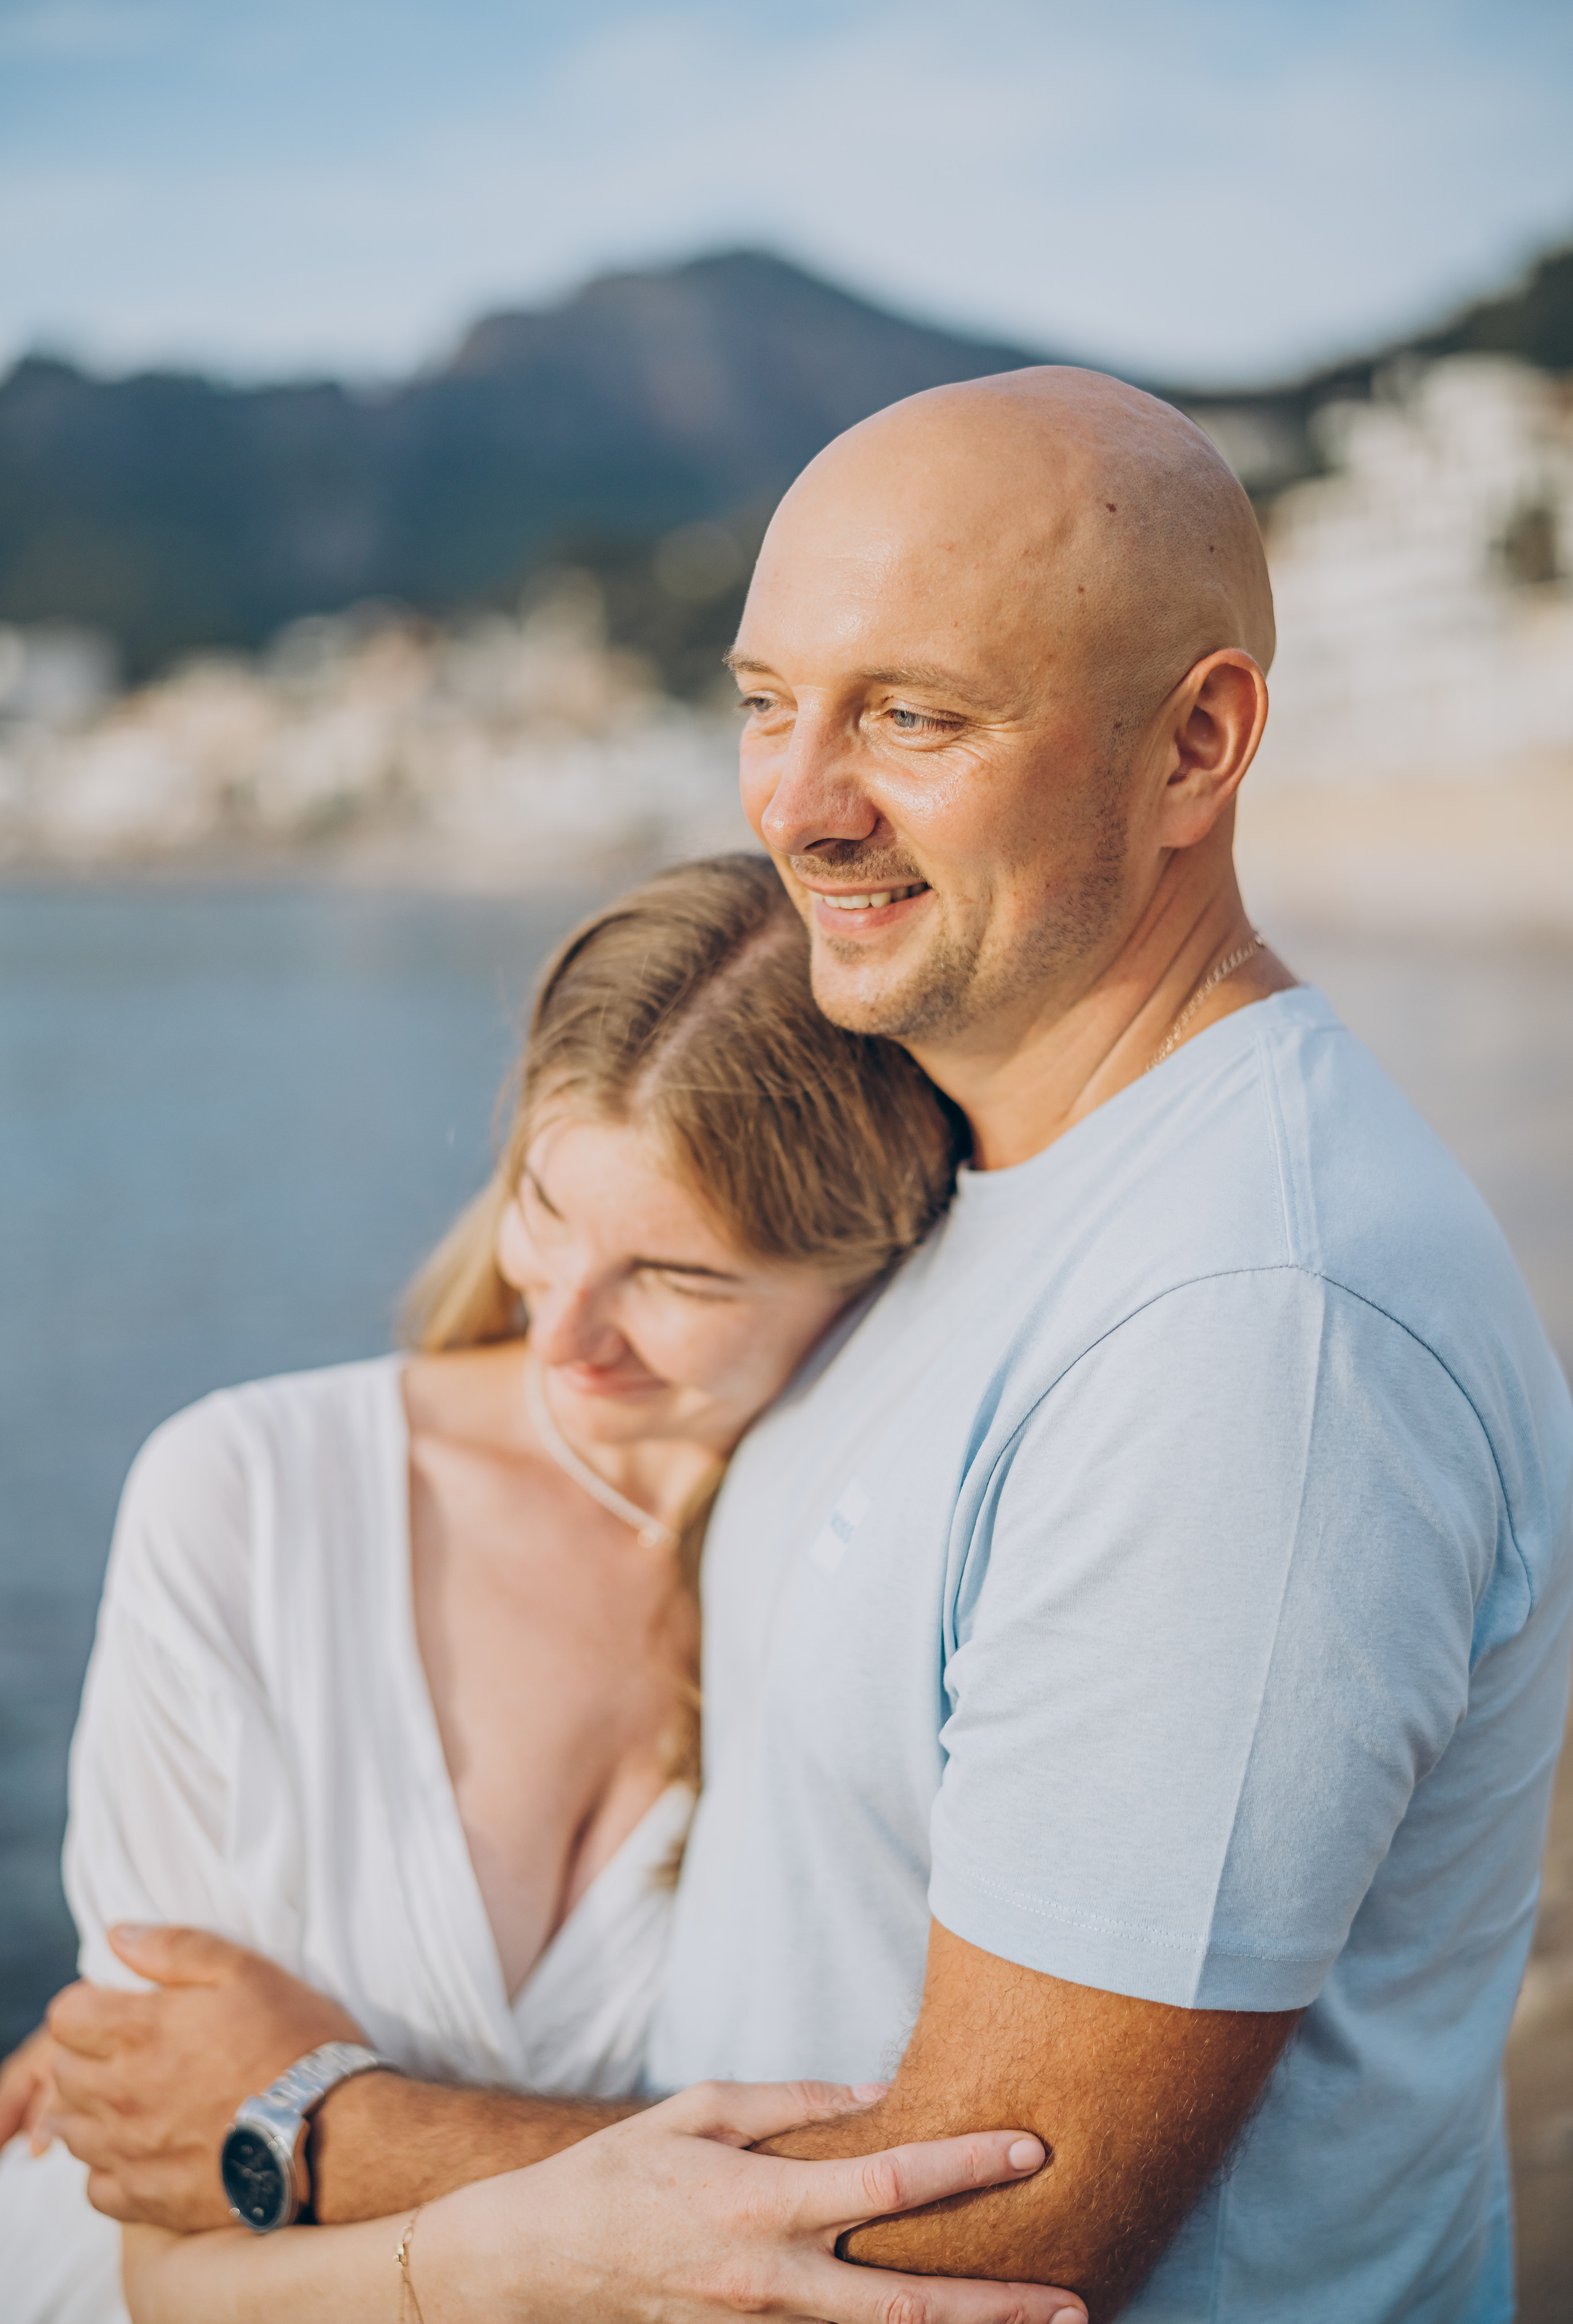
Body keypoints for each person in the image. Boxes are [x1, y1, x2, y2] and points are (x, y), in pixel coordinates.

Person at [33, 366, 1573, 2323]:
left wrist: (320, 2121)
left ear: (1197, 746)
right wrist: (123, 2073)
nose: (797, 803)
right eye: (768, 703)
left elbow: (1000, 2233)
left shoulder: (1249, 1332)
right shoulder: (993, 1179)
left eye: (915, 718)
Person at [0, 854, 1083, 2324]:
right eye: (540, 1207)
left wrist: (345, 2135)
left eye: (679, 1278)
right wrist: (513, 2250)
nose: (561, 1326)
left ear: (874, 1265)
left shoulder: (886, 1575)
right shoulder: (246, 1497)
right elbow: (163, 2245)